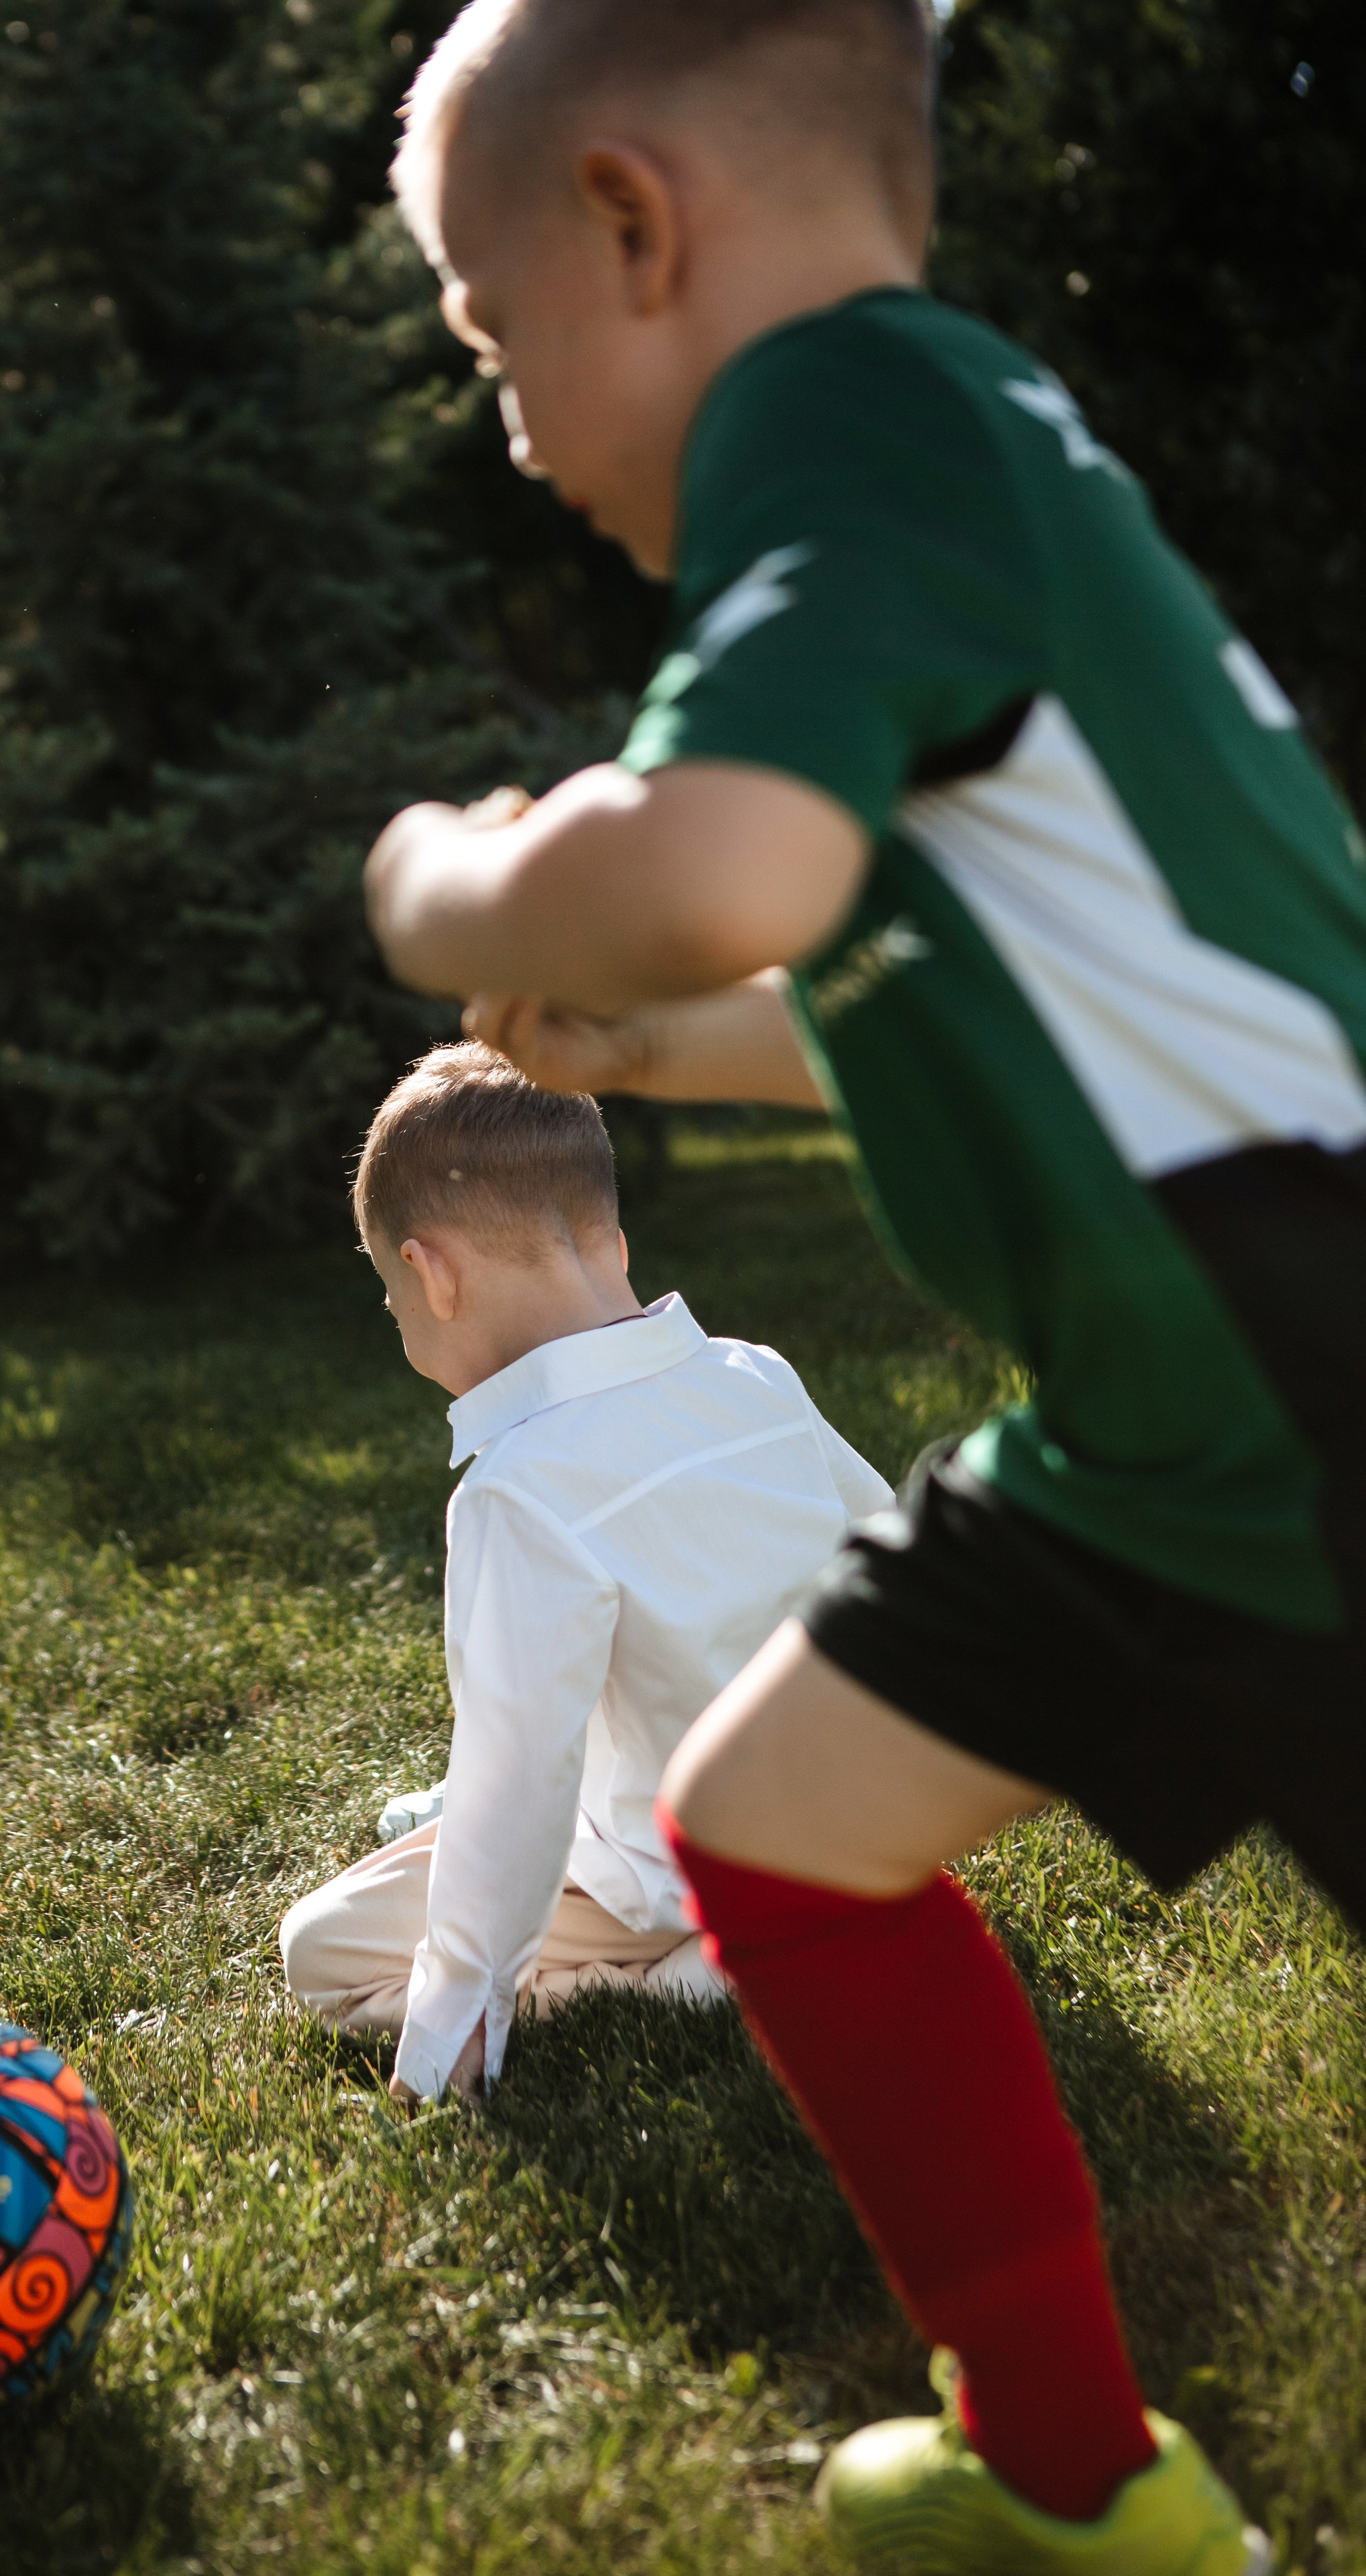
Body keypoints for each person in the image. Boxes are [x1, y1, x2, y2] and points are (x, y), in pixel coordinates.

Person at [363, 1, 1366, 2568]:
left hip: (1298, 1365)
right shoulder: (975, 464)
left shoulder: (845, 411)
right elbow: (917, 1005)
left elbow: (722, 864)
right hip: (1180, 1399)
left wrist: (456, 886)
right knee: (779, 1830)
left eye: (492, 340)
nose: (512, 431)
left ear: (634, 222)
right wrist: (645, 1047)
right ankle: (1066, 2479)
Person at [278, 1039, 892, 2104]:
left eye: (391, 1298)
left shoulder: (519, 1488)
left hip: (678, 1872)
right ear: (612, 1237)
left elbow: (520, 1778)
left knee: (321, 1950)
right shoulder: (757, 1377)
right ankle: (805, 1916)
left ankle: (699, 1977)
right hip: (855, 1822)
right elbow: (884, 1551)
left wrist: (456, 2010)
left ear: (433, 1275)